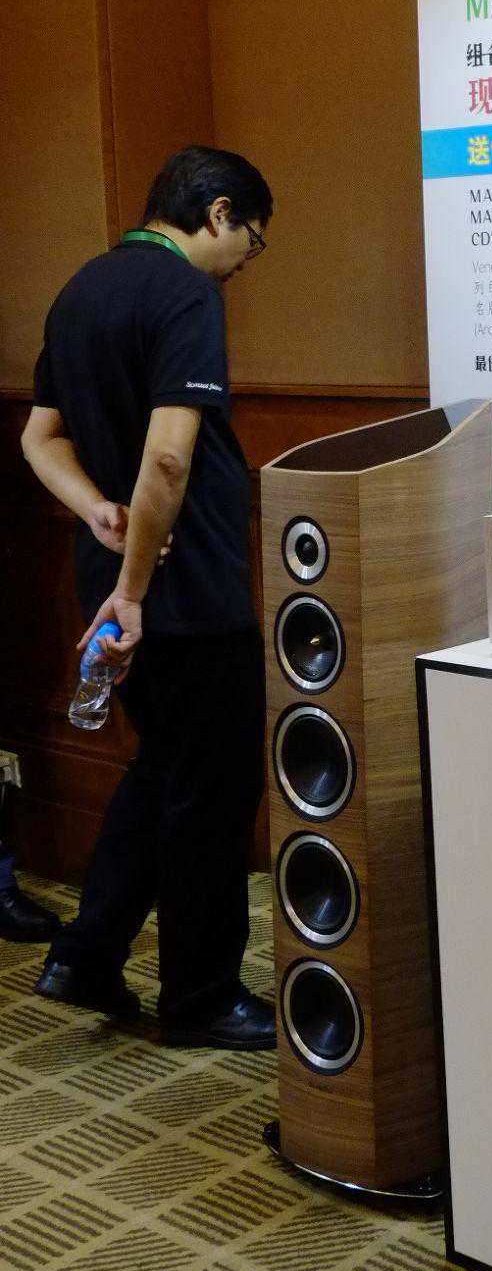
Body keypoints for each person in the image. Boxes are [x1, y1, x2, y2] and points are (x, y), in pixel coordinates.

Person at [20, 146, 276, 1049]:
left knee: (164, 765)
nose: (244, 260)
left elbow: (38, 437)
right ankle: (200, 995)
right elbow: (169, 457)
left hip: (115, 590)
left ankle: (85, 955)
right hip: (186, 591)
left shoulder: (79, 290)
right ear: (218, 212)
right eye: (250, 238)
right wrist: (135, 586)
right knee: (213, 787)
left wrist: (95, 507)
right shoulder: (185, 294)